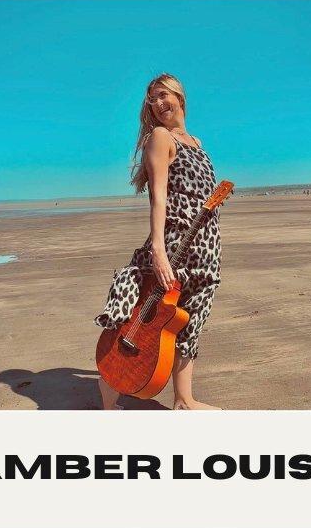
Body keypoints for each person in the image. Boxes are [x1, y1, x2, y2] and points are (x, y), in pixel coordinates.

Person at [93, 74, 223, 410]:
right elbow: (159, 198)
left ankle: (183, 399)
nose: (158, 103)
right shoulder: (160, 137)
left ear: (180, 96)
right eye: (153, 98)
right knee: (138, 316)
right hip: (174, 245)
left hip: (206, 249)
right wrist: (159, 254)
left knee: (189, 321)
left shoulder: (197, 142)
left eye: (163, 95)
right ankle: (108, 405)